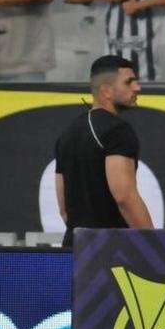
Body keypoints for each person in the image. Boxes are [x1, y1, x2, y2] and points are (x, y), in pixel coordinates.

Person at [54, 54, 153, 248]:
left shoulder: (67, 133)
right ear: (106, 91)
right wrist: (154, 246)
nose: (137, 88)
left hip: (75, 249)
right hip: (112, 251)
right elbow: (125, 197)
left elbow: (64, 209)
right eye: (129, 82)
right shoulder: (118, 131)